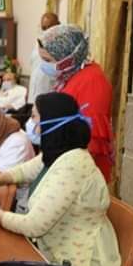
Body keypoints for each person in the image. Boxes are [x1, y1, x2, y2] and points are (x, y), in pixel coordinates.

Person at [0, 93, 121, 266]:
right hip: (52, 251)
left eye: (35, 117)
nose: (30, 122)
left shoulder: (73, 166)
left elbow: (33, 225)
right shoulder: (59, 153)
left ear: (51, 123)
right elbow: (24, 171)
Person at [37, 24, 114, 182]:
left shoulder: (92, 81)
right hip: (66, 163)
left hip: (81, 172)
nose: (43, 65)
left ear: (68, 58)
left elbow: (91, 138)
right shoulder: (69, 76)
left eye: (47, 60)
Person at [28, 12, 60, 104]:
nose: (46, 31)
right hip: (33, 95)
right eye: (44, 28)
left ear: (57, 25)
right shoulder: (38, 43)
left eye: (49, 27)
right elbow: (34, 67)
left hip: (49, 94)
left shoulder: (61, 44)